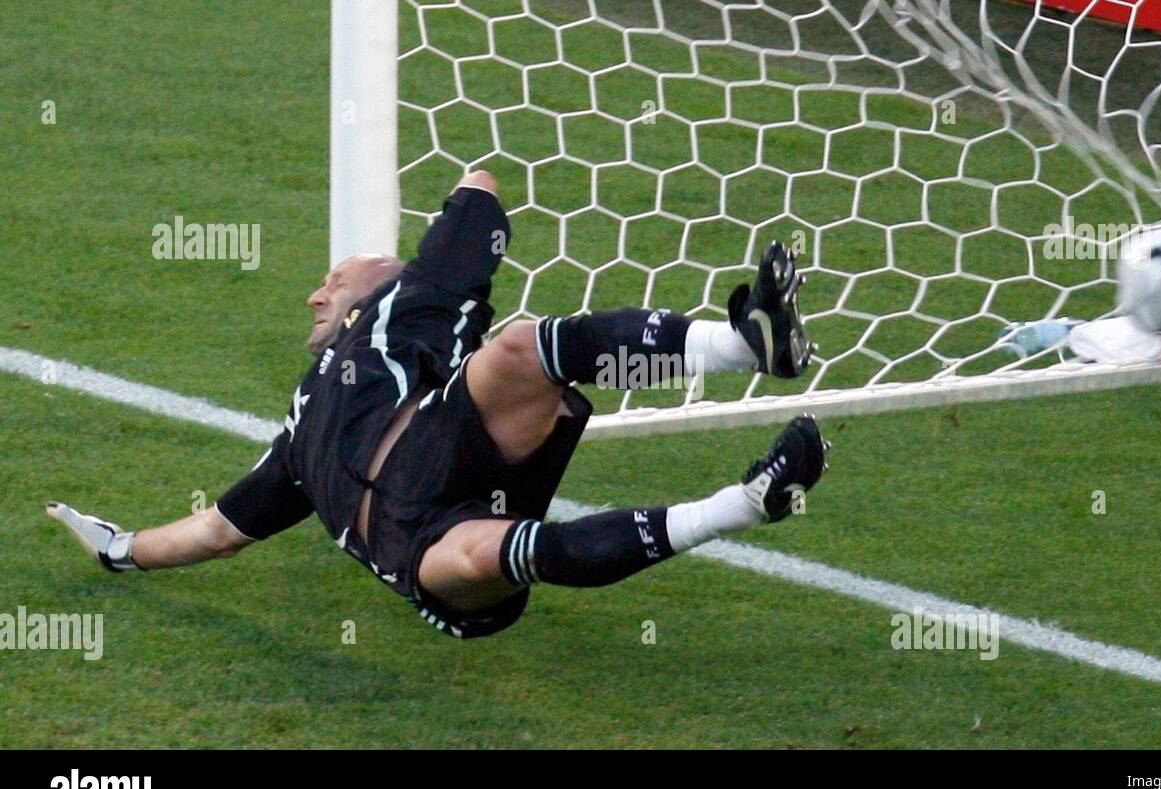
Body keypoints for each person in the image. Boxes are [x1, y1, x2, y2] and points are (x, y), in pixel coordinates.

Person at [47, 171, 830, 639]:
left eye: (336, 278)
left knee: (519, 349)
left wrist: (422, 263)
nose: (316, 292)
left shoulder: (414, 301)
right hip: (421, 538)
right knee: (483, 555)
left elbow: (481, 193)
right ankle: (747, 503)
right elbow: (217, 531)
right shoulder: (296, 439)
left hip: (457, 434)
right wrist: (122, 549)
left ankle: (743, 346)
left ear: (386, 274)